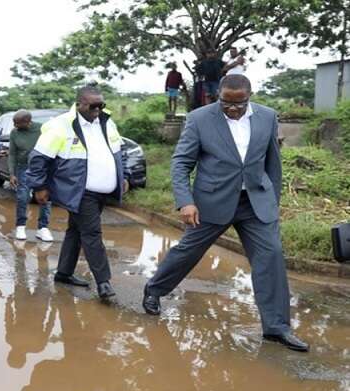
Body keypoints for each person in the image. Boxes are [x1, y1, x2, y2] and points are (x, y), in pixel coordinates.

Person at [141, 75, 310, 352]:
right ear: (218, 96)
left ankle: (277, 327)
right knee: (187, 252)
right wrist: (185, 201)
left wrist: (272, 202)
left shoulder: (267, 116)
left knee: (272, 257)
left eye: (239, 104)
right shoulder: (199, 118)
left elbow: (273, 163)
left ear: (249, 96)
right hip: (211, 201)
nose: (232, 110)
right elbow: (181, 162)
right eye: (225, 103)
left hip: (255, 202)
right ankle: (155, 289)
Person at [27, 86, 129, 300]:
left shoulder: (106, 122)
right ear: (80, 104)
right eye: (94, 105)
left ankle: (63, 273)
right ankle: (104, 282)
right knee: (92, 233)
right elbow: (38, 158)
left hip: (103, 191)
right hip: (81, 191)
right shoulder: (61, 125)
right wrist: (39, 186)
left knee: (76, 230)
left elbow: (120, 151)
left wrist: (124, 176)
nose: (98, 109)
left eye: (102, 105)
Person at [8, 110, 53, 242]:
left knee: (45, 198)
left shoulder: (42, 129)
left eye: (17, 123)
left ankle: (43, 228)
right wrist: (12, 173)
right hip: (23, 168)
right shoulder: (15, 133)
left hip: (42, 167)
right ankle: (21, 226)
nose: (15, 126)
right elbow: (12, 154)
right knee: (22, 196)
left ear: (27, 122)